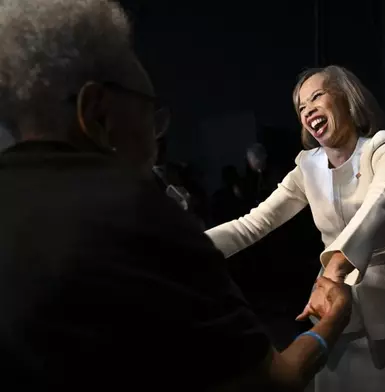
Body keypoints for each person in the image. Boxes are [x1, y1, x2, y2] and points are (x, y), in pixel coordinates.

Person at [0, 1, 353, 391]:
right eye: (151, 115)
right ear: (98, 113)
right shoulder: (139, 216)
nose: (157, 137)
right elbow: (273, 381)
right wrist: (331, 322)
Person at [206, 65, 385, 392]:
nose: (308, 110)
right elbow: (253, 223)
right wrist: (189, 248)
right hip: (331, 305)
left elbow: (383, 201)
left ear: (347, 98)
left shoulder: (383, 147)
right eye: (301, 107)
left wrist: (336, 265)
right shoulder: (306, 166)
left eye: (317, 96)